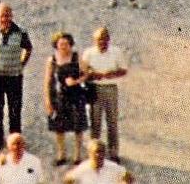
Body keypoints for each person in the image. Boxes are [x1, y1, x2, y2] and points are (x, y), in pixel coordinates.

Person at [0, 1, 33, 152]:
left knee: (15, 109)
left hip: (14, 76)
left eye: (7, 15)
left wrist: (21, 63)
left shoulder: (21, 32)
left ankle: (15, 141)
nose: (5, 18)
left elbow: (28, 49)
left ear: (11, 15)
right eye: (2, 15)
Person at [79, 26, 126, 162]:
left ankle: (113, 152)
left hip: (111, 88)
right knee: (95, 122)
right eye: (99, 40)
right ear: (94, 41)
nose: (102, 42)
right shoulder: (89, 53)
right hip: (94, 88)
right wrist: (93, 74)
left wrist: (111, 74)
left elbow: (123, 70)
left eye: (105, 39)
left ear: (109, 39)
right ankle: (93, 152)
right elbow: (83, 70)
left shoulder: (116, 52)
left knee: (112, 121)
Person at [43, 31, 88, 168]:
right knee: (59, 127)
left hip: (75, 95)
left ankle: (77, 154)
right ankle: (61, 154)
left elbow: (87, 74)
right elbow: (47, 81)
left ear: (71, 44)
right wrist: (48, 100)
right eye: (60, 44)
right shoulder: (52, 59)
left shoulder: (76, 57)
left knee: (77, 126)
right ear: (56, 45)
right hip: (59, 96)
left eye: (66, 44)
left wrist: (76, 81)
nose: (63, 46)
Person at [64, 138, 133, 183]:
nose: (99, 155)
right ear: (90, 153)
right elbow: (68, 179)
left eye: (101, 152)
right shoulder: (83, 168)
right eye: (96, 152)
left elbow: (128, 177)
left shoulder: (113, 167)